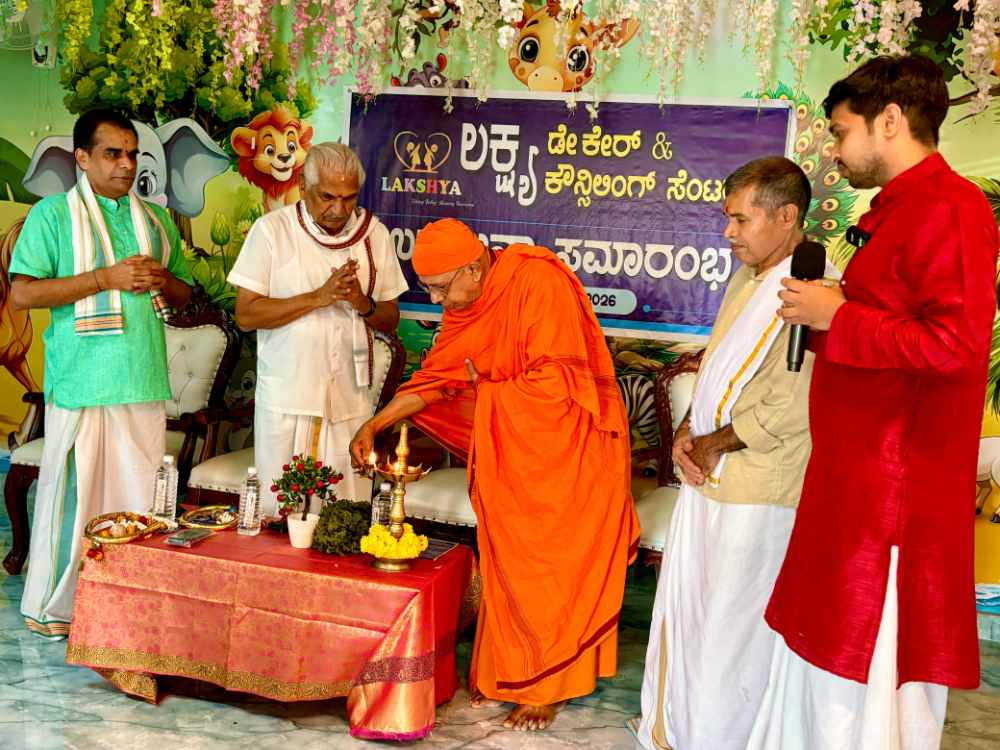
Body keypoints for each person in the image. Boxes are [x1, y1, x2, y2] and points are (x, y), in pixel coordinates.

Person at [747, 55, 999, 750]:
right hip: (856, 478)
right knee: (828, 655)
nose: (833, 150)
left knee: (870, 663)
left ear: (889, 121)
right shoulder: (901, 211)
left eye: (839, 131)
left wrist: (839, 316)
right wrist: (835, 314)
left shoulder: (952, 208)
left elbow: (953, 346)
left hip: (894, 498)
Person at [349, 218, 639, 731]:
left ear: (475, 268)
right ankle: (508, 674)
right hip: (518, 456)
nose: (438, 302)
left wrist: (488, 389)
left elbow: (556, 382)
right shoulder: (468, 306)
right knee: (506, 561)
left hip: (569, 454)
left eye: (441, 288)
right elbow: (439, 377)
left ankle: (547, 688)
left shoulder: (537, 280)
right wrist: (377, 422)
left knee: (551, 570)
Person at [634, 156, 834, 750]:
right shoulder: (748, 278)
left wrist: (710, 442)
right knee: (698, 617)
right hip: (713, 477)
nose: (728, 233)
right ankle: (688, 730)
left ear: (787, 217)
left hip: (759, 490)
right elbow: (719, 370)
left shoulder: (814, 290)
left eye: (740, 220)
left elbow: (790, 403)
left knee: (735, 631)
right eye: (728, 219)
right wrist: (689, 434)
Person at [10, 108, 193, 637]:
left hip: (142, 379)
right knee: (75, 499)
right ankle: (56, 607)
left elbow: (183, 294)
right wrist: (102, 278)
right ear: (82, 158)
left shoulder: (154, 221)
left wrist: (163, 279)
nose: (126, 165)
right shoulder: (52, 217)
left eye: (132, 154)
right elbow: (23, 293)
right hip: (83, 382)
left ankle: (126, 611)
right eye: (112, 153)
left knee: (138, 502)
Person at [228, 142, 408, 513]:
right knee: (280, 515)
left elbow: (390, 319)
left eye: (349, 198)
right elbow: (246, 314)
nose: (338, 209)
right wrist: (318, 297)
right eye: (327, 197)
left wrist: (361, 303)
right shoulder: (271, 231)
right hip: (288, 396)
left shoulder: (374, 235)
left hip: (349, 399)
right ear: (304, 187)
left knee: (343, 515)